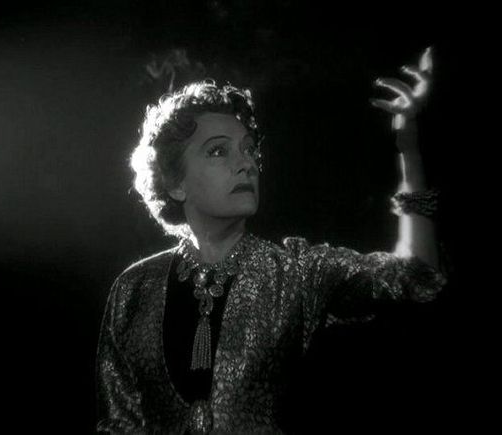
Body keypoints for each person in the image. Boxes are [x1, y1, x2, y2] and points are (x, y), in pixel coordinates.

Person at [96, 47, 447, 434]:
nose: (246, 163)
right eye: (218, 151)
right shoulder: (134, 289)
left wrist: (408, 148)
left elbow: (418, 277)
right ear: (175, 183)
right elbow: (119, 424)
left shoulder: (295, 270)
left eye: (250, 149)